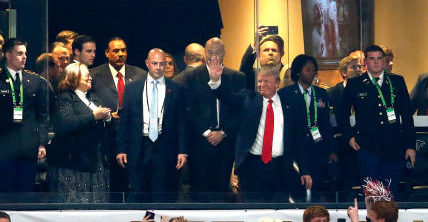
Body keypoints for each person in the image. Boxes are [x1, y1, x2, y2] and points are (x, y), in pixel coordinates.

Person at [174, 37, 245, 200]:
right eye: (210, 52)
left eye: (217, 53)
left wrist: (224, 132)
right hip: (200, 144)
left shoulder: (237, 77)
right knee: (199, 191)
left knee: (222, 191)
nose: (213, 57)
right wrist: (206, 132)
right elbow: (188, 110)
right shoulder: (191, 77)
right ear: (205, 53)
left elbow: (240, 110)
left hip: (226, 144)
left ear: (224, 54)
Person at [0, 38, 52, 193]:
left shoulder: (35, 81)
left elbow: (42, 115)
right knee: (5, 192)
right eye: (19, 53)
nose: (24, 57)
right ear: (7, 55)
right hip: (2, 147)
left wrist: (42, 143)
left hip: (28, 146)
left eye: (25, 53)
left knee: (26, 192)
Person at [339, 45, 416, 189]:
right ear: (365, 62)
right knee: (371, 192)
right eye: (371, 59)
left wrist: (410, 146)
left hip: (393, 147)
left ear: (384, 61)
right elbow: (342, 113)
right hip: (367, 147)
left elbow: (407, 116)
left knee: (390, 192)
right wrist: (349, 136)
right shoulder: (355, 84)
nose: (376, 62)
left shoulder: (397, 81)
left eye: (379, 58)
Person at [117, 49, 188, 201]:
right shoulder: (132, 89)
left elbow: (182, 122)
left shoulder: (177, 89)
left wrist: (182, 151)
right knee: (138, 192)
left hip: (165, 146)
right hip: (139, 145)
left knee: (163, 193)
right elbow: (124, 121)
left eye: (162, 64)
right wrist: (121, 149)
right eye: (155, 63)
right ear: (147, 63)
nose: (158, 67)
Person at [234, 66, 312, 199]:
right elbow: (226, 96)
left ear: (277, 83)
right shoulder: (249, 100)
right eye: (259, 81)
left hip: (280, 168)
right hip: (253, 167)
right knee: (254, 210)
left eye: (266, 81)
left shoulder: (290, 105)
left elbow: (298, 140)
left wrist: (305, 171)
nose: (261, 85)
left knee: (279, 211)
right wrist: (215, 81)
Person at [89, 37, 147, 195]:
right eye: (116, 51)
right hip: (106, 135)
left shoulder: (141, 74)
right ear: (107, 53)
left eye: (123, 50)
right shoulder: (94, 75)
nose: (120, 54)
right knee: (113, 181)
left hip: (135, 135)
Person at [48, 62, 112, 203]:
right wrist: (93, 116)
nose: (90, 78)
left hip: (96, 159)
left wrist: (107, 117)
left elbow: (102, 120)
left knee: (98, 201)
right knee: (76, 200)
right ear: (73, 78)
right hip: (74, 161)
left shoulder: (94, 98)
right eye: (86, 76)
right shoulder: (65, 98)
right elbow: (65, 124)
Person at [278, 55, 336, 196]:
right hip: (294, 149)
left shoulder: (321, 93)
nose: (311, 73)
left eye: (313, 70)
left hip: (317, 148)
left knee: (317, 189)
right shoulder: (285, 94)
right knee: (297, 189)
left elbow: (326, 125)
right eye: (307, 69)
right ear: (298, 71)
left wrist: (331, 150)